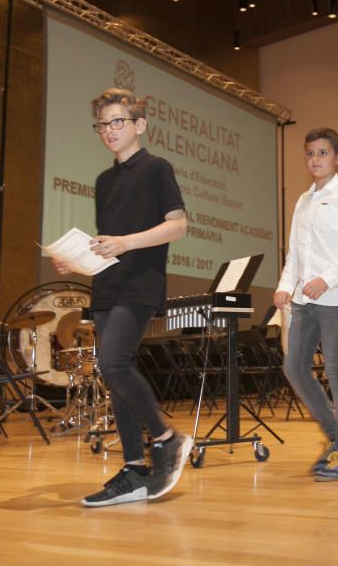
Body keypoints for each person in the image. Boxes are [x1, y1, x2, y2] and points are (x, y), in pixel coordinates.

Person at [54, 88, 193, 507]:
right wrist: (75, 260)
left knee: (113, 362)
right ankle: (134, 468)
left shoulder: (156, 169)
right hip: (107, 286)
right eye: (103, 124)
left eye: (118, 122)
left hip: (140, 283)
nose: (109, 130)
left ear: (139, 126)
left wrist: (127, 243)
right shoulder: (103, 180)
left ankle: (167, 439)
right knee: (117, 373)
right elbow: (107, 243)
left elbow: (178, 226)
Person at [275, 128, 338, 482]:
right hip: (304, 299)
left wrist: (328, 279)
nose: (315, 159)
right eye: (310, 153)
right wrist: (286, 285)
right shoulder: (303, 201)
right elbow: (295, 254)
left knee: (337, 369)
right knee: (296, 368)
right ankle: (337, 436)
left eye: (322, 153)